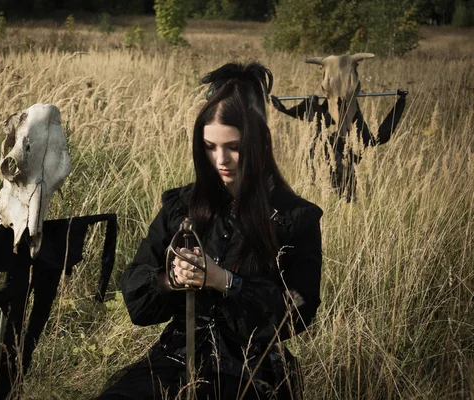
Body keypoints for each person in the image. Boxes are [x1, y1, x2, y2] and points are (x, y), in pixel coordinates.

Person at [96, 63, 323, 400]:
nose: (222, 159)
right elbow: (135, 294)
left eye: (234, 146)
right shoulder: (182, 206)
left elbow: (298, 314)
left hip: (252, 369)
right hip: (176, 357)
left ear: (259, 143)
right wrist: (170, 278)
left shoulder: (294, 217)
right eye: (210, 146)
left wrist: (223, 281)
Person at [270, 91, 407, 200]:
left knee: (320, 125)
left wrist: (285, 110)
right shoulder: (358, 145)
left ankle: (330, 101)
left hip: (336, 113)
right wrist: (401, 102)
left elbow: (318, 123)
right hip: (348, 114)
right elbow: (384, 133)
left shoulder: (324, 149)